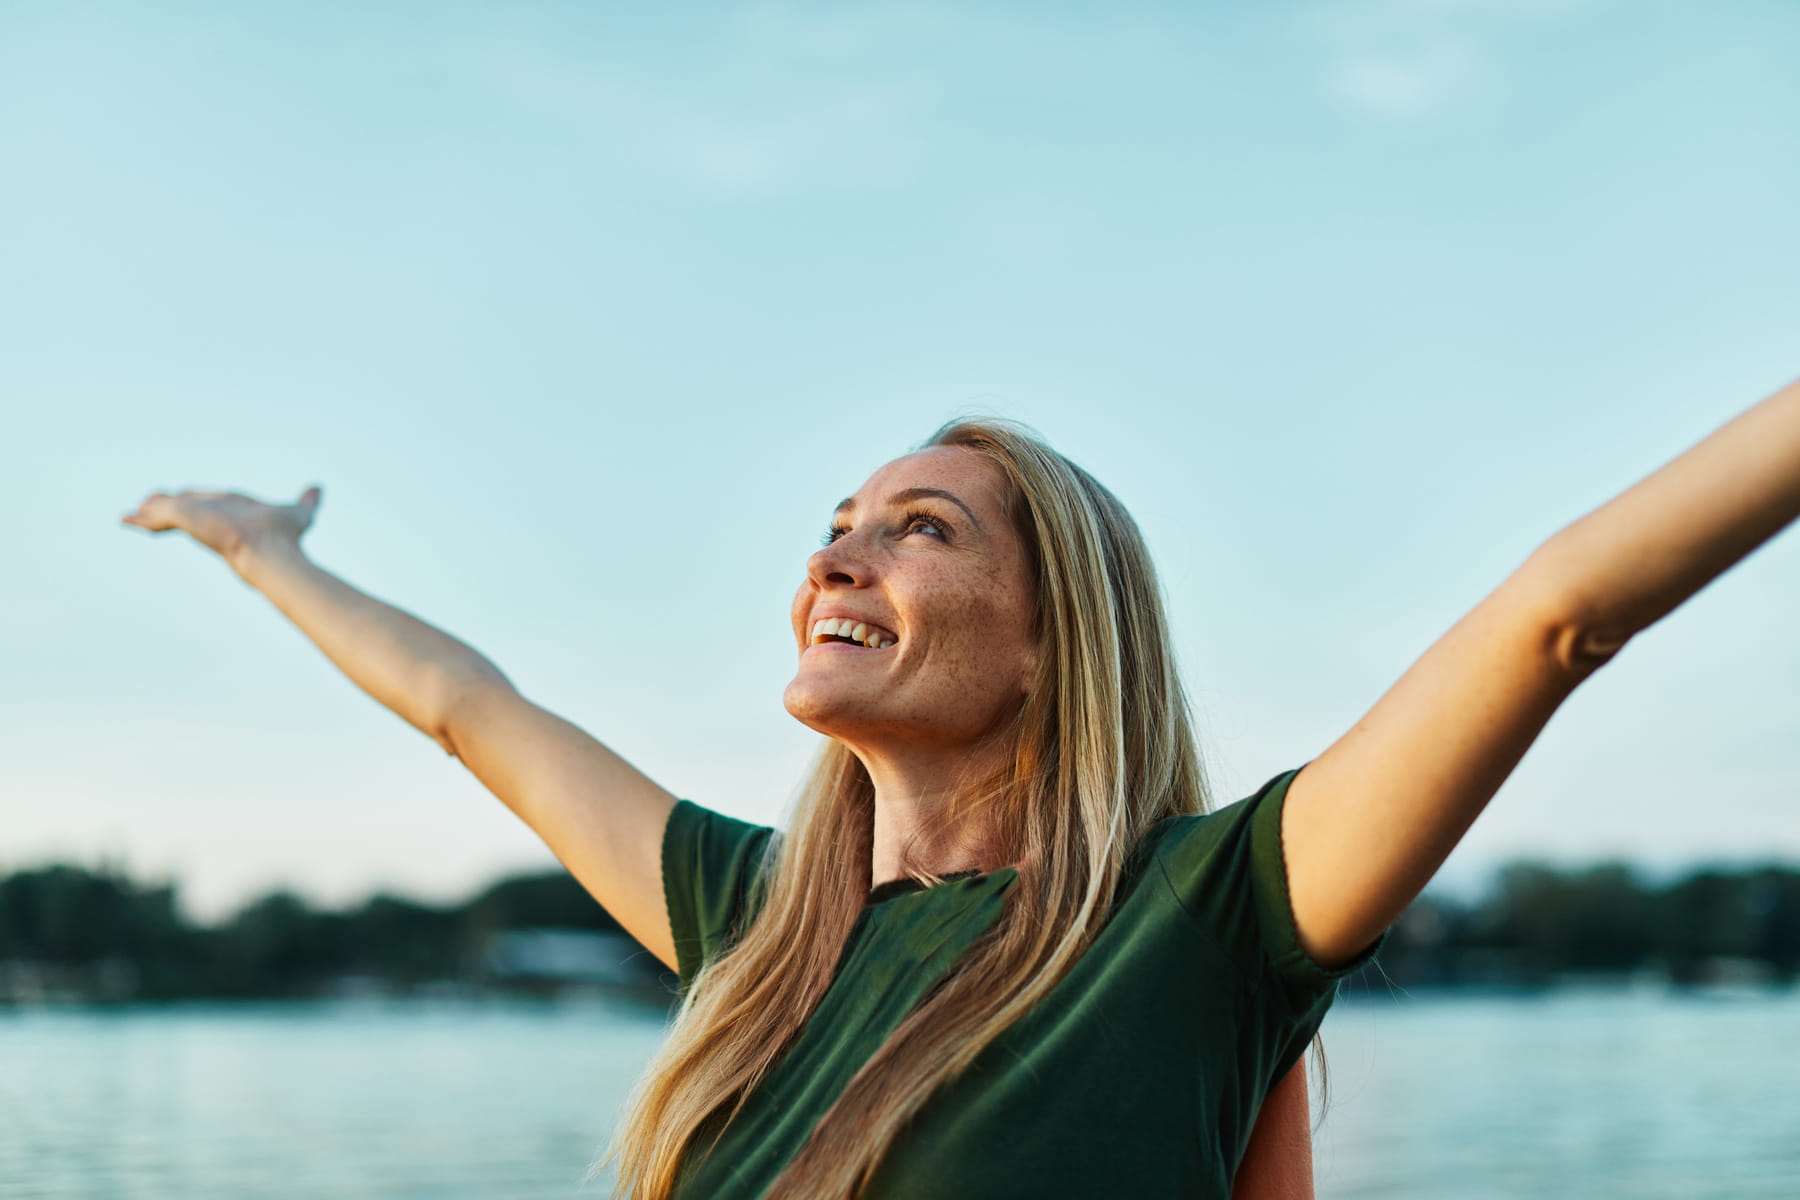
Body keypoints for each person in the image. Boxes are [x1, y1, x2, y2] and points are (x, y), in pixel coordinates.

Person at [121, 380, 1800, 1199]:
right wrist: (264, 550)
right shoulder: (756, 927)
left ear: (1056, 646)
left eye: (924, 526)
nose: (839, 547)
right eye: (841, 517)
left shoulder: (1208, 919)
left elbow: (1554, 613)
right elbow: (464, 707)